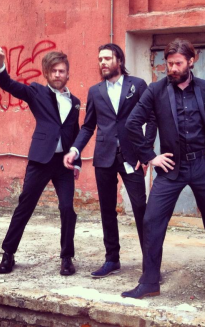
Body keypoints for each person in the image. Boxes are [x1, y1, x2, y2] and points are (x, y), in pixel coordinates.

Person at [121, 38, 205, 303]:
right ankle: (149, 282)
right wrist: (150, 156)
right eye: (169, 63)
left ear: (191, 61)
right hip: (170, 166)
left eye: (178, 63)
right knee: (152, 221)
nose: (173, 68)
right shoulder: (155, 90)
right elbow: (132, 124)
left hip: (202, 164)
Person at [64, 43, 157, 278]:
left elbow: (152, 119)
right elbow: (88, 126)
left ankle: (150, 264)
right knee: (107, 210)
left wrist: (146, 153)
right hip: (104, 157)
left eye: (107, 58)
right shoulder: (95, 91)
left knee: (140, 208)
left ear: (119, 60)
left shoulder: (137, 85)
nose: (103, 63)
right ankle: (112, 259)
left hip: (132, 156)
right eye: (100, 59)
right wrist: (75, 149)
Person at [0, 47, 81, 276]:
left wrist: (77, 161)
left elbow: (75, 132)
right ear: (47, 73)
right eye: (54, 71)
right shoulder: (36, 92)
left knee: (67, 208)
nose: (58, 74)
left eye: (62, 71)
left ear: (68, 74)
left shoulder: (75, 102)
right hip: (40, 160)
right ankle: (8, 253)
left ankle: (66, 257)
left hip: (64, 164)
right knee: (25, 206)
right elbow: (9, 84)